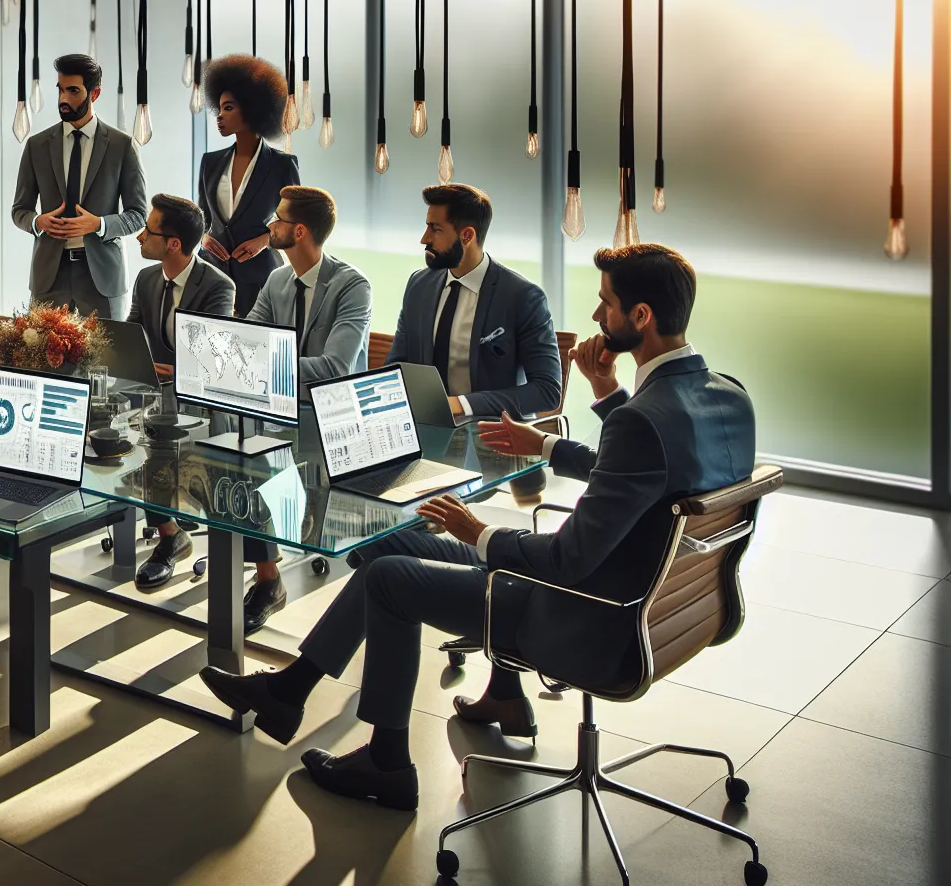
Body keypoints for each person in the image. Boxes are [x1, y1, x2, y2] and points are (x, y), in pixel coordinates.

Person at [198, 244, 754, 812]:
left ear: (641, 318)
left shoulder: (642, 421)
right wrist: (559, 433)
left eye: (605, 304)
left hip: (584, 611)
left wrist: (477, 532)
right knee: (385, 538)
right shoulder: (726, 395)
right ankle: (295, 691)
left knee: (390, 579)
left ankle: (385, 762)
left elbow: (566, 559)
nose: (594, 318)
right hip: (665, 607)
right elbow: (652, 474)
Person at [240, 185, 372, 632]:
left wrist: (265, 369)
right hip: (281, 412)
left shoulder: (352, 286)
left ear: (299, 231)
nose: (268, 226)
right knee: (238, 459)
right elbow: (249, 343)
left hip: (332, 418)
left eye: (275, 219)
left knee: (256, 458)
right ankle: (268, 578)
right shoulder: (277, 279)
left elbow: (336, 367)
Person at [125, 194, 234, 589]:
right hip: (159, 398)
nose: (139, 236)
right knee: (129, 434)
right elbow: (134, 333)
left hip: (202, 406)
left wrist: (177, 370)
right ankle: (171, 536)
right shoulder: (146, 279)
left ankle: (230, 546)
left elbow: (214, 357)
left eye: (149, 230)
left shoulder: (218, 286)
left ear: (173, 244)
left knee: (158, 436)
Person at [385, 184, 562, 419]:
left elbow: (547, 391)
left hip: (494, 436)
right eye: (427, 227)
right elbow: (396, 368)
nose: (424, 239)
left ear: (467, 235)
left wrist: (461, 405)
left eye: (435, 229)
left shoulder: (523, 297)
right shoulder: (419, 285)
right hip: (425, 429)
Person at [10, 53, 149, 320]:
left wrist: (99, 224)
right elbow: (20, 210)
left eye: (73, 91)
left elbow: (138, 214)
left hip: (102, 277)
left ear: (94, 93)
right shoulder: (37, 146)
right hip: (49, 276)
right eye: (60, 90)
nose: (63, 99)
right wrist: (38, 223)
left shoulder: (122, 146)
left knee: (107, 361)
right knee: (42, 359)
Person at [196, 55, 303, 316]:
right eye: (219, 109)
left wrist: (265, 240)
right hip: (212, 273)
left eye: (228, 108)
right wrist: (204, 238)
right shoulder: (210, 162)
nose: (220, 116)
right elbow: (201, 217)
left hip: (261, 277)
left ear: (252, 109)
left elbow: (298, 222)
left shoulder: (282, 165)